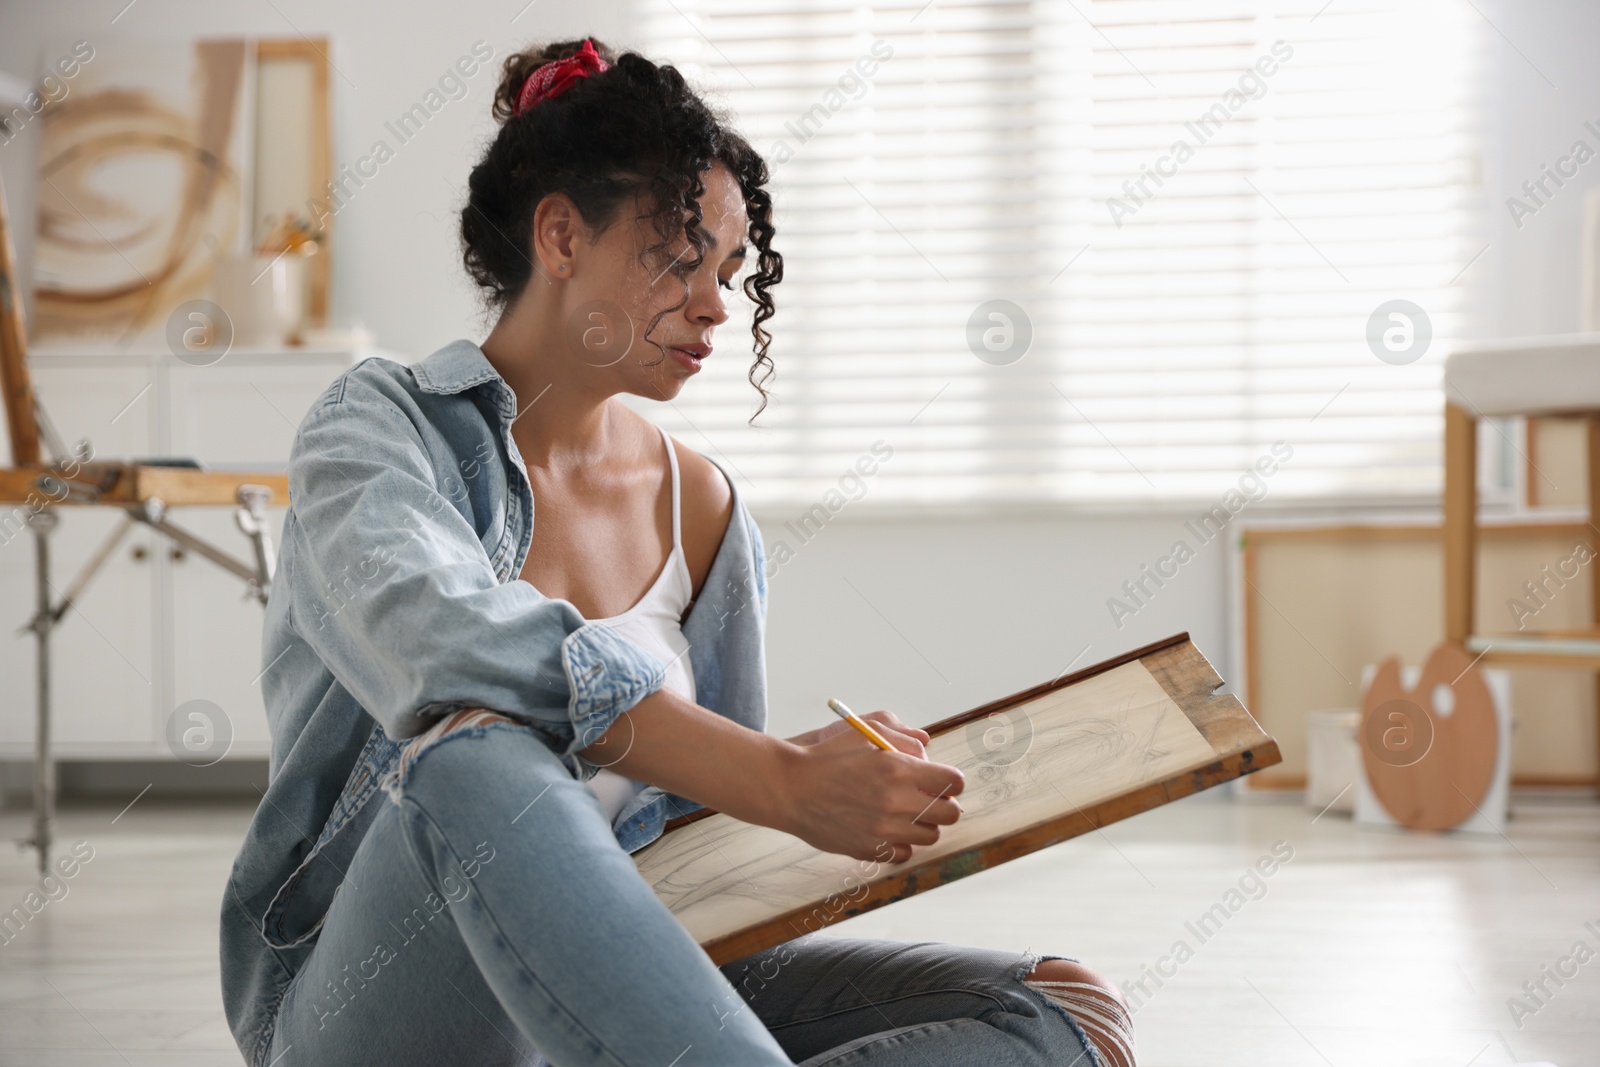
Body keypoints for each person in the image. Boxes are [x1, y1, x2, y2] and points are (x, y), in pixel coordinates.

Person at [219, 36, 1135, 1067]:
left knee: (1061, 1008)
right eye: (677, 258)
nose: (714, 304)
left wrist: (858, 798)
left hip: (617, 1001)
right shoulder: (379, 427)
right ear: (560, 236)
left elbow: (705, 841)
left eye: (730, 271)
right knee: (473, 754)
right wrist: (779, 775)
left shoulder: (699, 504)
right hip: (377, 1004)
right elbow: (434, 644)